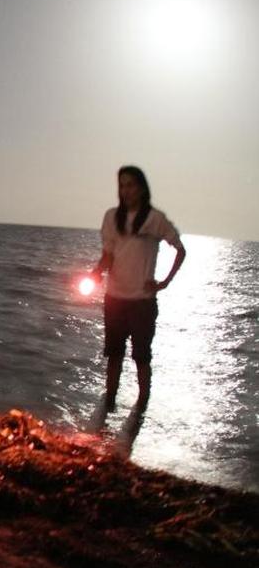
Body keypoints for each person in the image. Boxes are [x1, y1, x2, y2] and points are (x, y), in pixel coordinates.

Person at [90, 165, 186, 413]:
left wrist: (164, 282)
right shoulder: (112, 217)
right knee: (114, 355)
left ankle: (141, 407)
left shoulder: (155, 219)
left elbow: (180, 250)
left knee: (141, 356)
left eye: (130, 185)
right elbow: (109, 255)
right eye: (122, 185)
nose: (126, 190)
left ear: (142, 188)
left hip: (142, 301)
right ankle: (108, 404)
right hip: (115, 299)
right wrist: (96, 272)